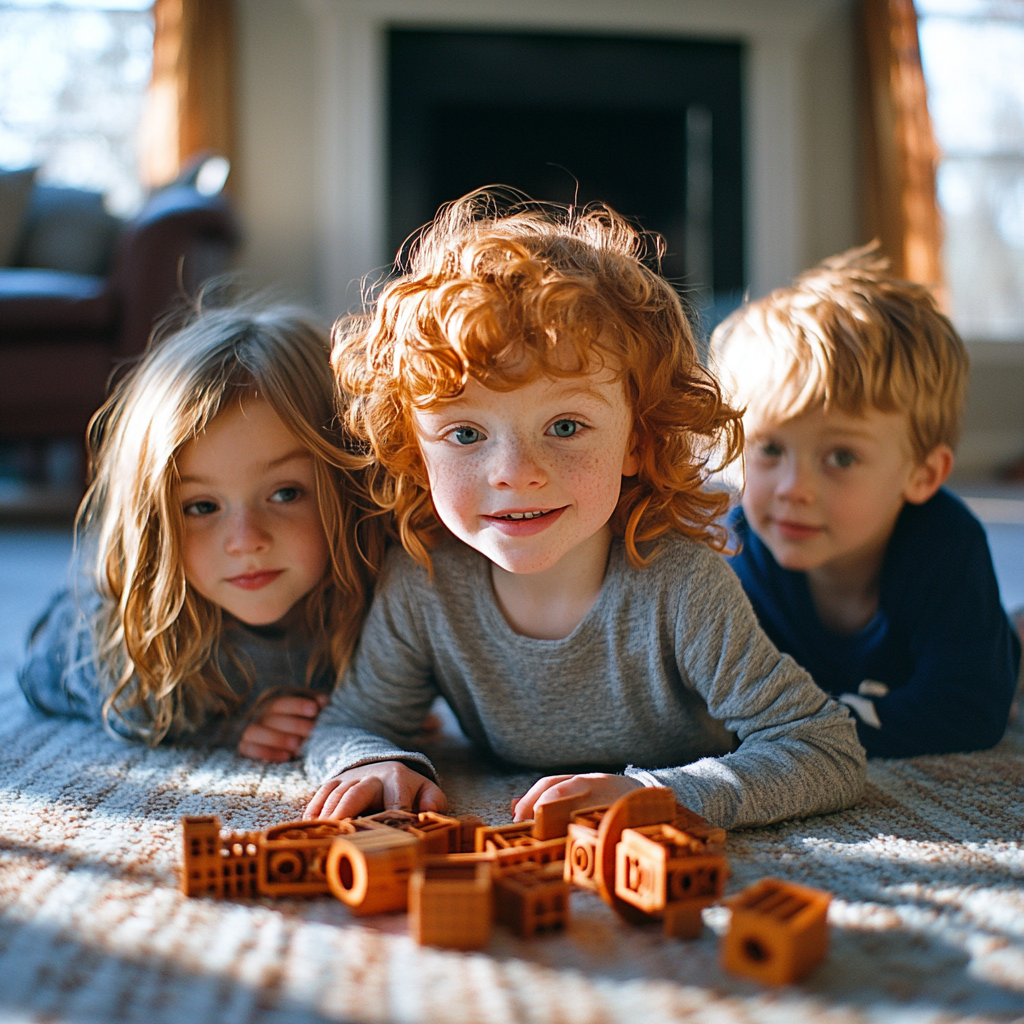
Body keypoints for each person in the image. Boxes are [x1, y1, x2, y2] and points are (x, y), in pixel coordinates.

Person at [302, 194, 865, 829]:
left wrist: (664, 795)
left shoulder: (682, 585)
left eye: (565, 425)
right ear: (414, 448)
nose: (514, 471)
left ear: (636, 441)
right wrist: (369, 762)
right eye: (464, 434)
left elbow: (825, 749)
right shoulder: (425, 583)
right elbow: (353, 722)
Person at [19, 303, 385, 760]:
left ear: (351, 485)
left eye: (286, 494)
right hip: (76, 630)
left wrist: (384, 714)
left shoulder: (386, 597)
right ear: (156, 523)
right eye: (202, 506)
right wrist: (229, 726)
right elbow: (75, 694)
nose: (245, 540)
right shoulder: (124, 641)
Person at [711, 246, 1020, 758]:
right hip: (859, 686)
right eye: (769, 448)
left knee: (1002, 652)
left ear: (922, 475)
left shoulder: (947, 544)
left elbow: (969, 713)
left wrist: (804, 729)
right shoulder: (736, 554)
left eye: (841, 457)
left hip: (949, 643)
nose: (792, 487)